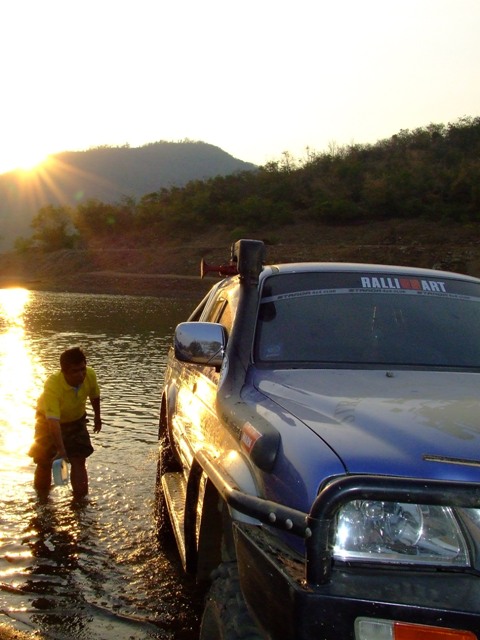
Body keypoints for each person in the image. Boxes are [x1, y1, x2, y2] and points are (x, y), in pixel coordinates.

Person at [28, 347, 102, 500]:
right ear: (64, 372)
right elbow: (53, 422)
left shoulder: (90, 374)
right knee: (44, 461)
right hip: (47, 421)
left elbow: (94, 396)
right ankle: (42, 499)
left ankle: (80, 501)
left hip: (76, 419)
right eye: (75, 371)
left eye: (82, 369)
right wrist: (61, 450)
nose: (81, 375)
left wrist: (97, 417)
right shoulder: (53, 384)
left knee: (79, 459)